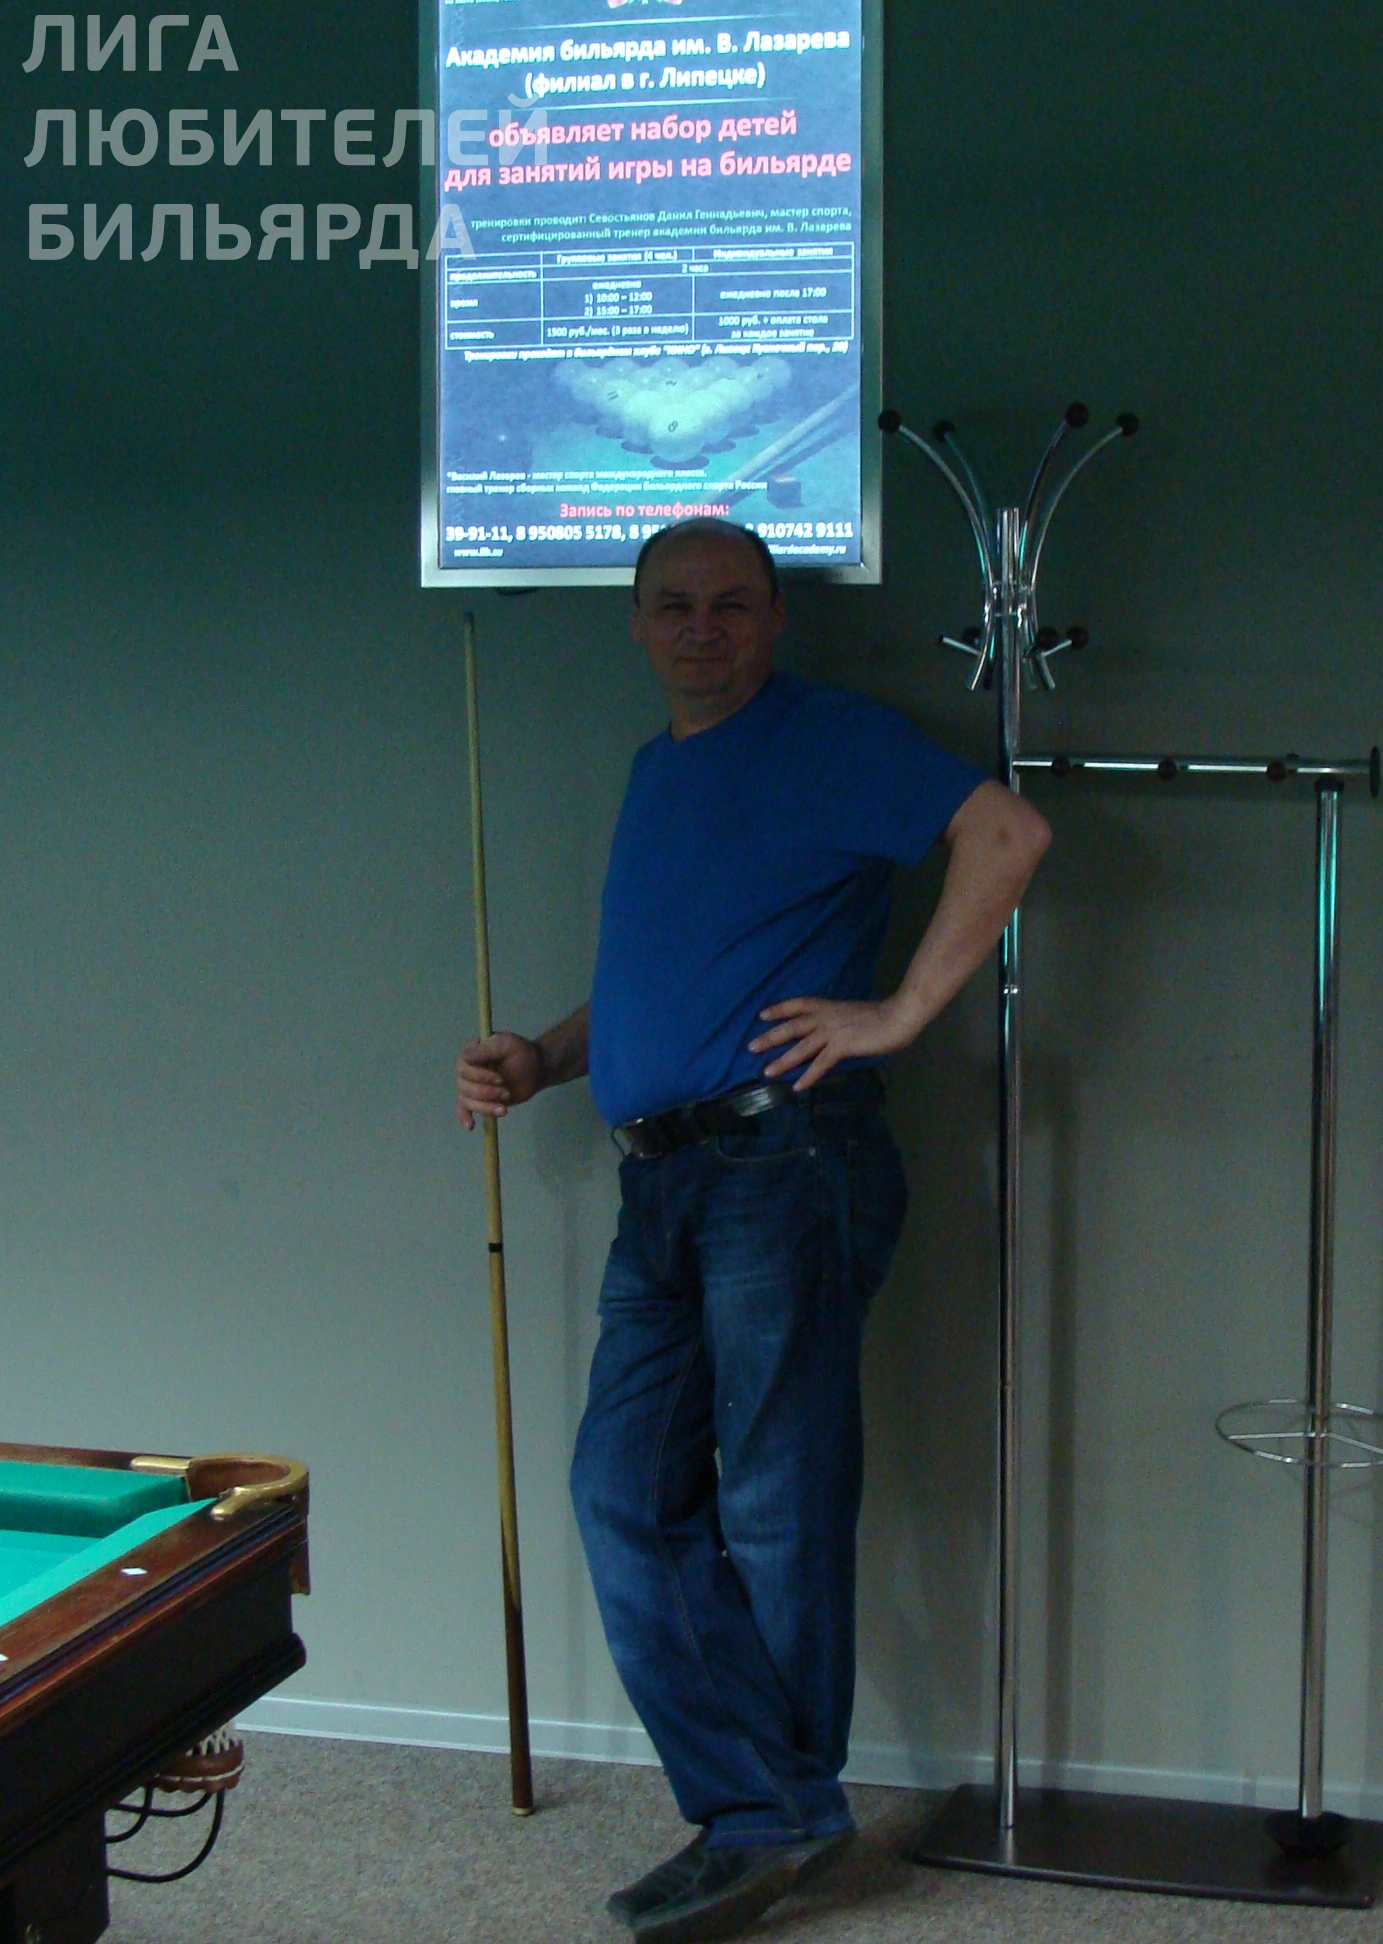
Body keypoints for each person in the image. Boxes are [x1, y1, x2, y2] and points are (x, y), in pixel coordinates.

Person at [454, 517, 1050, 1942]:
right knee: (621, 1492)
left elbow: (1009, 833)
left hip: (784, 1164)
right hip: (661, 1181)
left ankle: (763, 1821)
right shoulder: (656, 768)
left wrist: (898, 1012)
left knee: (776, 1503)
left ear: (775, 619)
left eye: (731, 605)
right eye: (673, 605)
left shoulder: (829, 737)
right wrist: (543, 1060)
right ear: (638, 621)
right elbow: (662, 980)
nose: (701, 628)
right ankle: (772, 1808)